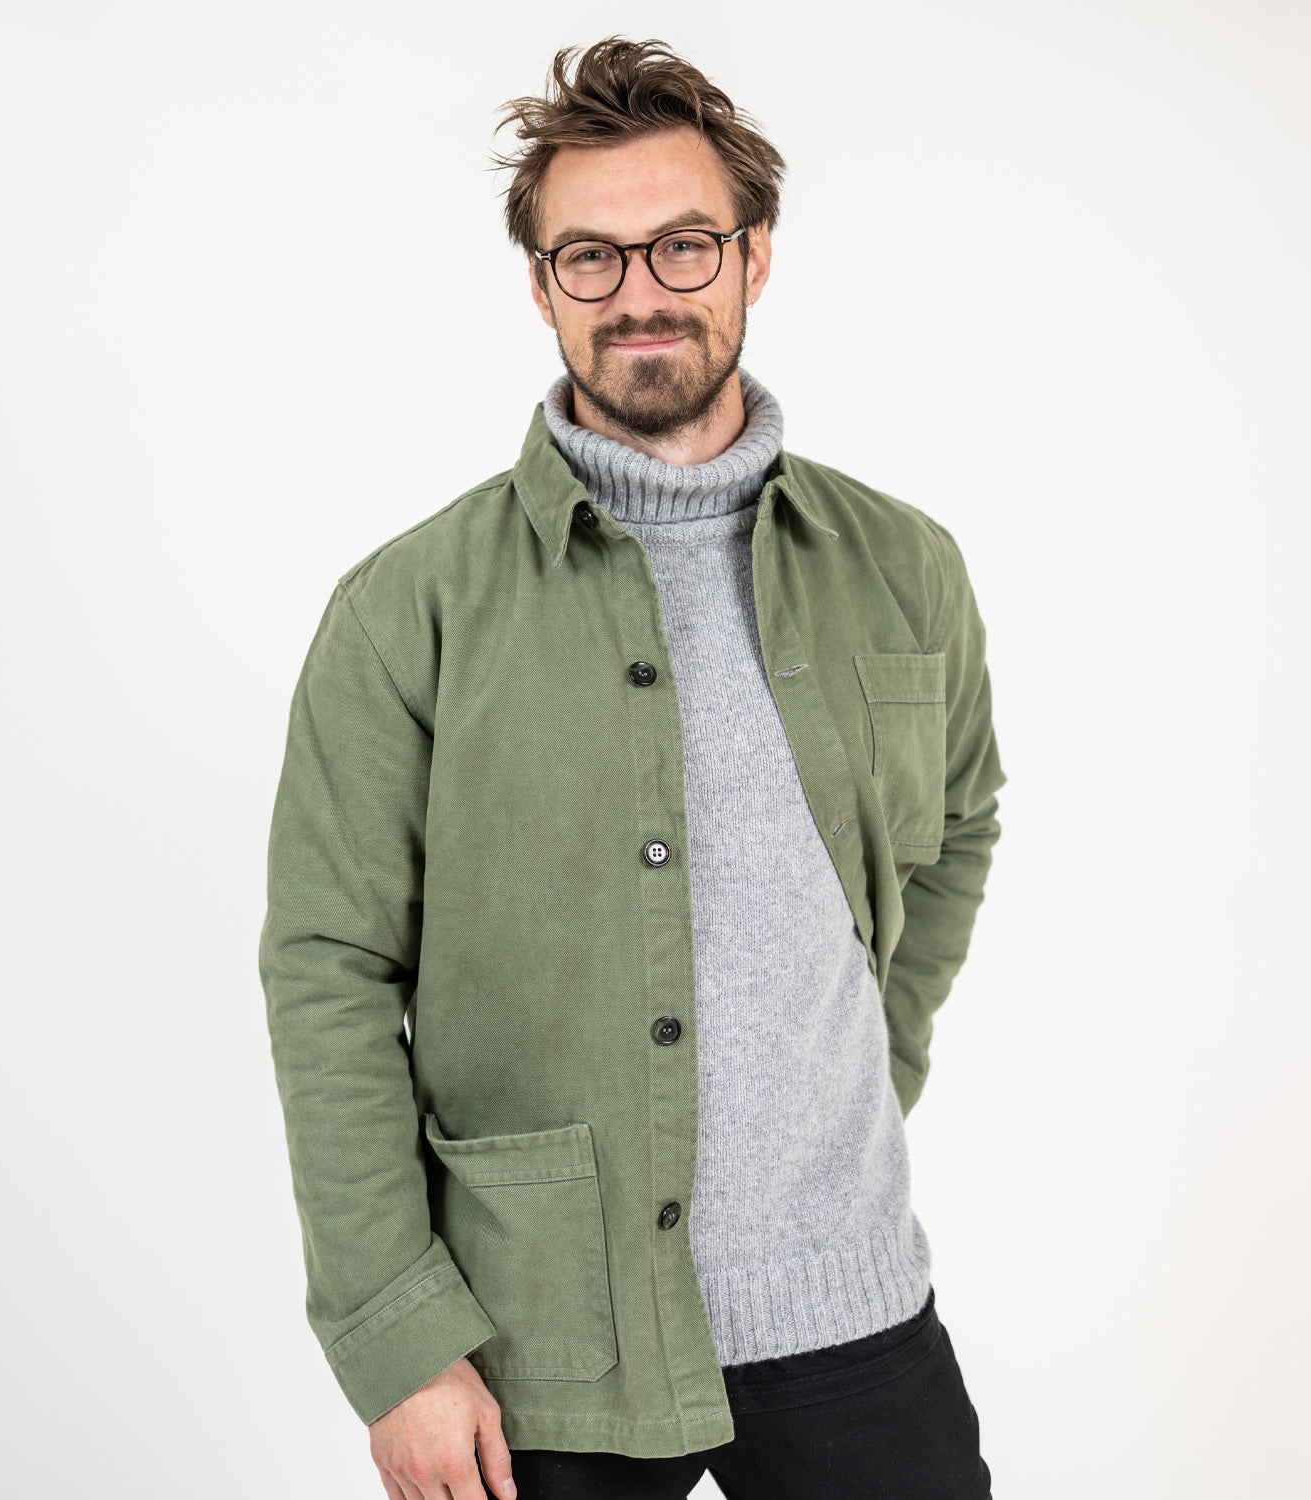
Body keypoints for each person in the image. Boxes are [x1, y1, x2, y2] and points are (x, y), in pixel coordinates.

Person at [259, 35, 1005, 1500]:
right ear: (541, 287)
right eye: (589, 258)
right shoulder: (410, 609)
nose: (640, 293)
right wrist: (400, 1343)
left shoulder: (904, 567)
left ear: (754, 255)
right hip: (540, 1343)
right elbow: (328, 970)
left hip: (855, 1309)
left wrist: (872, 1059)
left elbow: (958, 826)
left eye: (682, 244)